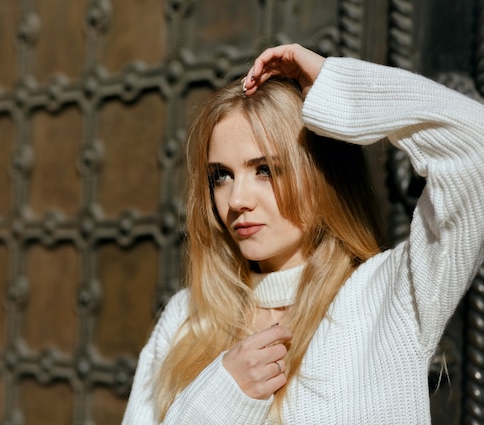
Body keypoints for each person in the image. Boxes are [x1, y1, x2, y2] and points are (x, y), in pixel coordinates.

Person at [121, 43, 484, 424]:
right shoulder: (188, 317)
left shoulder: (390, 298)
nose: (237, 199)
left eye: (265, 169)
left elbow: (475, 148)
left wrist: (337, 89)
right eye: (221, 176)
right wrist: (220, 397)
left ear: (319, 175)